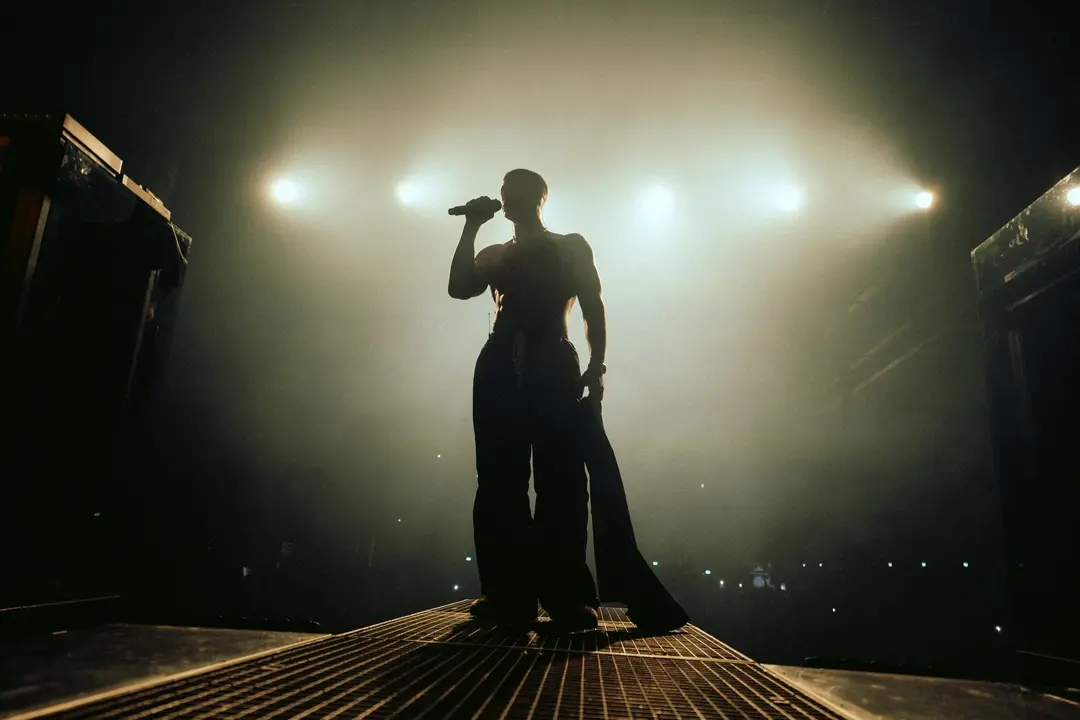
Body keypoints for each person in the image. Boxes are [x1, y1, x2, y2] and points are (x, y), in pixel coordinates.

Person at [448, 169, 606, 630]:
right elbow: (459, 287)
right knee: (499, 479)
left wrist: (597, 365)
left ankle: (567, 597)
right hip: (500, 363)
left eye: (520, 191)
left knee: (560, 478)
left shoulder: (569, 245)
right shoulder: (496, 253)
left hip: (553, 360)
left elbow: (593, 305)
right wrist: (472, 225)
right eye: (504, 193)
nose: (510, 198)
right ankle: (507, 594)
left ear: (540, 198)